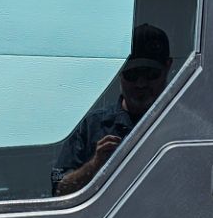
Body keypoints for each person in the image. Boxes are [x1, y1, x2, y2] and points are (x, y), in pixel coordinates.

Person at [50, 23, 174, 195]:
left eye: (150, 73)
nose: (141, 83)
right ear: (118, 71)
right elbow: (59, 189)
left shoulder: (183, 126)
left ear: (168, 66)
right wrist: (95, 165)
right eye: (132, 74)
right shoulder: (90, 126)